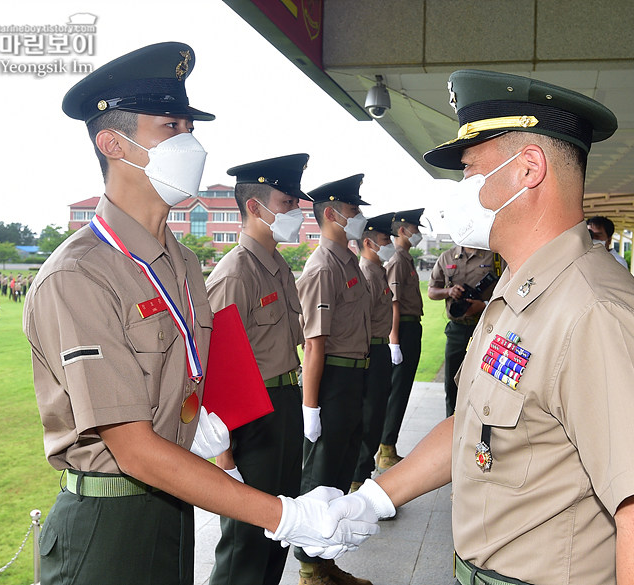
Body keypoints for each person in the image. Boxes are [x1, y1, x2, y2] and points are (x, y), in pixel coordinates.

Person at [22, 43, 371, 585]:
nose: (190, 143)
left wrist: (198, 423)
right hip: (108, 520)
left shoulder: (181, 261)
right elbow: (133, 449)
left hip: (172, 502)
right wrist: (285, 513)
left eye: (191, 127)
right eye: (170, 128)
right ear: (113, 143)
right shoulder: (81, 274)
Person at [325, 69, 634, 585]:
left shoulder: (594, 313)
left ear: (528, 169)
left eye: (469, 171)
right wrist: (372, 500)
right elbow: (475, 426)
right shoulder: (521, 288)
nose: (461, 189)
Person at [205, 153, 311, 585]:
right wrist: (225, 456)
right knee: (247, 537)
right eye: (287, 203)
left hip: (283, 404)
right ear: (255, 207)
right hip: (251, 414)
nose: (298, 214)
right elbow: (215, 369)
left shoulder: (279, 266)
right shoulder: (235, 274)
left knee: (278, 526)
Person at [295, 175, 373, 585]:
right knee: (321, 473)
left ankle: (326, 561)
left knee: (341, 469)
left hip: (354, 376)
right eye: (353, 210)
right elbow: (314, 344)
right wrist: (312, 407)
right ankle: (310, 566)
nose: (359, 217)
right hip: (334, 380)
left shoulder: (348, 262)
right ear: (331, 214)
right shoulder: (323, 265)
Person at [428, 247, 503, 416]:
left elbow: (509, 287)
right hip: (457, 330)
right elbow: (432, 291)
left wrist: (483, 304)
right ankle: (452, 424)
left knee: (485, 381)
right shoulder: (447, 257)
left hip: (487, 327)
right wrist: (449, 291)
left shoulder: (495, 257)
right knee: (452, 383)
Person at [376, 208, 424, 472]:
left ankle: (388, 445)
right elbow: (393, 303)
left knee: (403, 390)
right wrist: (394, 341)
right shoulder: (396, 259)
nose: (417, 233)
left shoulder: (405, 259)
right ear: (403, 230)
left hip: (410, 328)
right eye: (415, 228)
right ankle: (385, 448)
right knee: (397, 391)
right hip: (402, 329)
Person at [352, 212, 396, 492]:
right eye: (384, 239)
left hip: (380, 349)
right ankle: (358, 479)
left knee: (377, 414)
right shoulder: (367, 273)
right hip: (370, 351)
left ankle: (364, 473)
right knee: (368, 419)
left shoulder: (378, 270)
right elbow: (362, 320)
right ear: (368, 242)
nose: (390, 243)